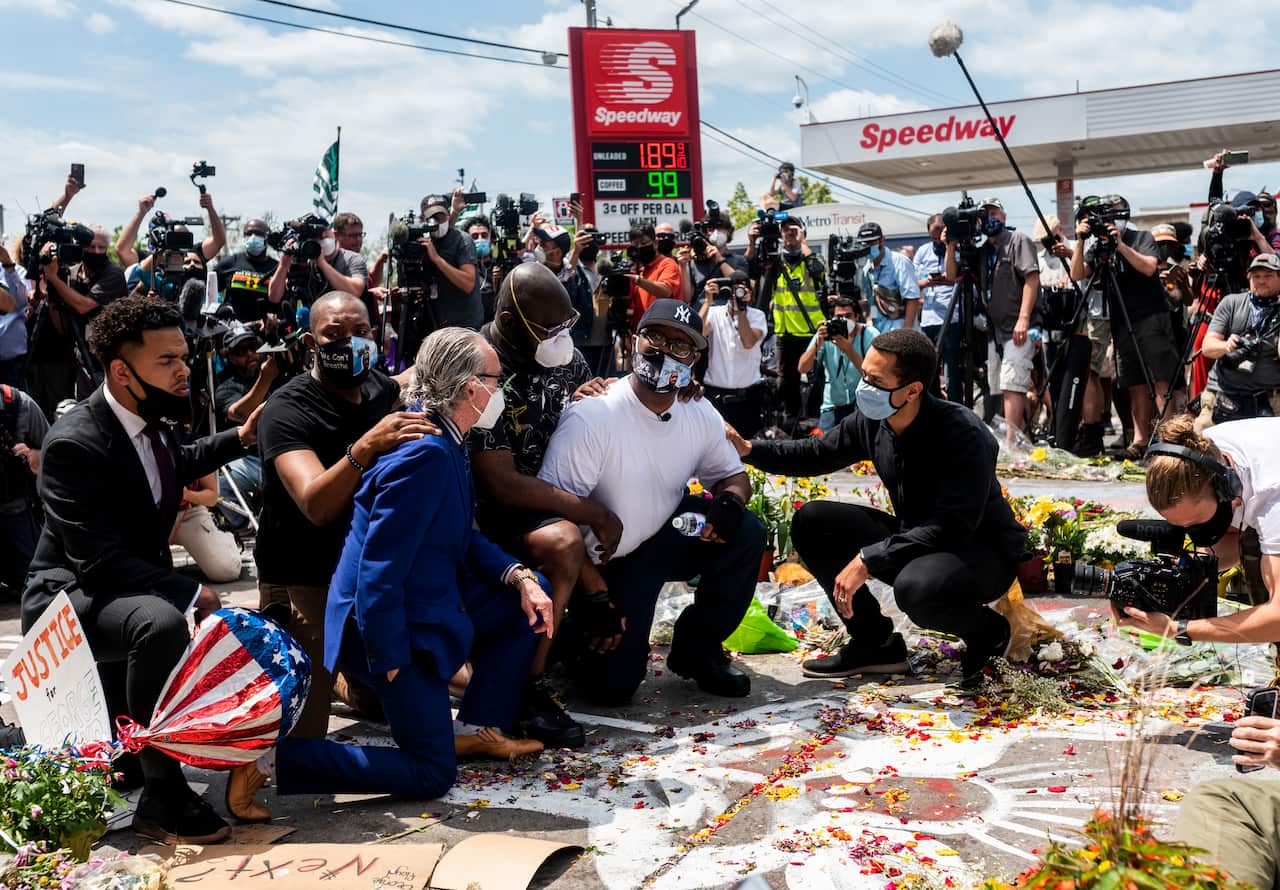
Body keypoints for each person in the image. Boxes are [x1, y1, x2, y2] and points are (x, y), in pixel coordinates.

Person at [241, 328, 551, 812]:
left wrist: (520, 576)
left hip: (421, 610)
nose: (500, 389)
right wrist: (388, 657)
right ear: (470, 388)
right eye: (496, 379)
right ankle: (272, 762)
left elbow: (460, 536)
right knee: (431, 773)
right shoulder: (425, 452)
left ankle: (470, 731)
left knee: (527, 598)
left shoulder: (445, 437)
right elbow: (377, 567)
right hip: (390, 632)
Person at [23, 294, 258, 844]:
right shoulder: (73, 444)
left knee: (157, 614)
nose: (183, 370)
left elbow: (178, 460)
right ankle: (163, 793)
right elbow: (97, 562)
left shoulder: (151, 419)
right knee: (163, 620)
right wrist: (191, 590)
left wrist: (242, 437)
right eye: (167, 361)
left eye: (184, 356)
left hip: (119, 588)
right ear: (121, 371)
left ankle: (133, 748)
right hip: (69, 595)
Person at [726, 329, 1029, 683]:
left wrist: (869, 558)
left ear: (913, 390)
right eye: (865, 374)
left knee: (917, 590)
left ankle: (987, 632)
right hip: (919, 540)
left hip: (980, 553)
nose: (863, 385)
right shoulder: (874, 420)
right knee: (813, 521)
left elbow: (951, 526)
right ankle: (876, 642)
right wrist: (748, 449)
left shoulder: (964, 435)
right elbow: (816, 454)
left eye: (875, 379)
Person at [539, 299, 764, 705]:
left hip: (667, 536)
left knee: (746, 532)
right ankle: (572, 638)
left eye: (680, 346)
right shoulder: (594, 415)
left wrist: (730, 502)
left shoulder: (697, 410)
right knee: (610, 689)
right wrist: (594, 597)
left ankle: (698, 650)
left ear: (694, 359)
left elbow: (733, 476)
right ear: (634, 341)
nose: (665, 351)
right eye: (656, 337)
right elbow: (550, 519)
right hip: (605, 564)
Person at [254, 291, 431, 738]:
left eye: (362, 333)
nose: (351, 343)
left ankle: (347, 676)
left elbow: (407, 379)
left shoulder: (375, 386)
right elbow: (315, 503)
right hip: (301, 575)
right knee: (304, 737)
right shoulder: (287, 409)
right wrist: (366, 446)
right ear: (311, 344)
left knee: (384, 704)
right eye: (335, 335)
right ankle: (317, 669)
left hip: (357, 568)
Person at [470, 264, 614, 748]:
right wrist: (591, 512)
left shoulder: (564, 359)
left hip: (548, 496)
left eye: (566, 324)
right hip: (486, 513)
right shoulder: (483, 368)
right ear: (511, 323)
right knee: (564, 542)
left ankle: (565, 640)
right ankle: (527, 689)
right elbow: (501, 484)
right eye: (549, 328)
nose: (561, 337)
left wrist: (595, 400)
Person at [1070, 195, 1180, 458]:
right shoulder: (1098, 247)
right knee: (1135, 383)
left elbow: (1149, 268)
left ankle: (1169, 440)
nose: (1110, 220)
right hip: (1121, 321)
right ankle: (1140, 440)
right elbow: (1076, 273)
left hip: (1150, 316)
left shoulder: (1140, 237)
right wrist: (1081, 240)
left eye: (1114, 214)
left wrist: (1119, 245)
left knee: (1159, 379)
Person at [27, 225, 127, 419]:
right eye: (91, 247)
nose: (96, 252)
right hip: (78, 355)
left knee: (104, 411)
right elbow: (62, 327)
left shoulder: (113, 273)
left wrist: (54, 279)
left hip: (105, 356)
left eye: (101, 248)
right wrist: (53, 296)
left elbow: (83, 306)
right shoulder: (71, 272)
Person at [1201, 253, 1280, 424]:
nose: (1261, 281)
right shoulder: (1231, 302)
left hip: (1270, 399)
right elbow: (1207, 347)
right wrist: (1226, 346)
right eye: (1256, 276)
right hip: (1223, 394)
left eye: (1268, 275)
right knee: (1202, 443)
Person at [770, 217, 828, 425]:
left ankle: (815, 418)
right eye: (785, 230)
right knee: (786, 381)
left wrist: (803, 241)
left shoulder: (813, 259)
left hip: (811, 331)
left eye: (794, 230)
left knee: (817, 378)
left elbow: (818, 271)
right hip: (785, 333)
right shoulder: (776, 263)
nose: (789, 233)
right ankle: (791, 419)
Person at [701, 272, 767, 437]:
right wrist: (708, 300)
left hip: (747, 397)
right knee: (714, 443)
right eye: (733, 289)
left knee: (748, 447)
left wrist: (741, 310)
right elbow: (698, 332)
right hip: (716, 395)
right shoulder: (714, 312)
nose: (735, 294)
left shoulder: (757, 316)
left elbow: (748, 342)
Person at [115, 191, 227, 289]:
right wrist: (141, 213)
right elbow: (122, 251)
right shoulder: (148, 259)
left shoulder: (192, 254)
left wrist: (210, 208)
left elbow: (218, 241)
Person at [798, 296, 875, 432]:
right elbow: (803, 367)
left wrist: (848, 349)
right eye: (839, 317)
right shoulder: (827, 333)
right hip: (833, 404)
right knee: (825, 446)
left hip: (862, 402)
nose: (844, 321)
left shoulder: (869, 334)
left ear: (857, 317)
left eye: (848, 316)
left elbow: (871, 374)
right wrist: (819, 342)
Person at [0, 384, 47, 598]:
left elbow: (58, 460)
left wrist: (33, 457)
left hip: (14, 514)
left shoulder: (18, 404)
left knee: (35, 585)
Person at [914, 215, 959, 399]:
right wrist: (928, 282)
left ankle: (955, 404)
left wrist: (947, 280)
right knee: (928, 366)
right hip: (928, 318)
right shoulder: (923, 252)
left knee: (952, 368)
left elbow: (958, 277)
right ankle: (932, 403)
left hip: (951, 317)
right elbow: (912, 283)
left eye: (940, 234)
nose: (937, 239)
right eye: (933, 236)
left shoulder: (956, 249)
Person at [170, 472, 241, 583]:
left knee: (226, 571)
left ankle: (224, 539)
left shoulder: (194, 454)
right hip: (148, 517)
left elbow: (212, 497)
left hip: (188, 513)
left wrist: (186, 494)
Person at [860, 222, 921, 333]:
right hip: (879, 332)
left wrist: (906, 332)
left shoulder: (900, 262)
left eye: (872, 242)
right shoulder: (866, 269)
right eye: (865, 243)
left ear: (882, 240)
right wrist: (870, 322)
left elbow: (912, 299)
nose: (868, 247)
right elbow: (872, 303)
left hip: (900, 329)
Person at [215, 218, 279, 315]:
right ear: (244, 236)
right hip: (233, 328)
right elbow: (209, 294)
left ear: (267, 238)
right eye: (249, 233)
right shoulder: (228, 264)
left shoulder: (277, 268)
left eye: (258, 234)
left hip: (266, 327)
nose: (253, 237)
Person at [626, 224, 681, 326]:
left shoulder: (667, 264)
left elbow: (666, 291)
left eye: (643, 243)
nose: (640, 248)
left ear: (655, 243)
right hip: (641, 331)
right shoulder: (640, 270)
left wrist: (638, 280)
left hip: (663, 329)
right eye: (635, 245)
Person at [459, 216, 498, 324]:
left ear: (491, 238)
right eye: (475, 236)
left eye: (484, 235)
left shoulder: (500, 266)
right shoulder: (462, 269)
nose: (480, 239)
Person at [0, 245, 29, 386]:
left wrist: (8, 266)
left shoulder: (18, 271)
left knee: (15, 407)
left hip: (11, 365)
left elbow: (21, 303)